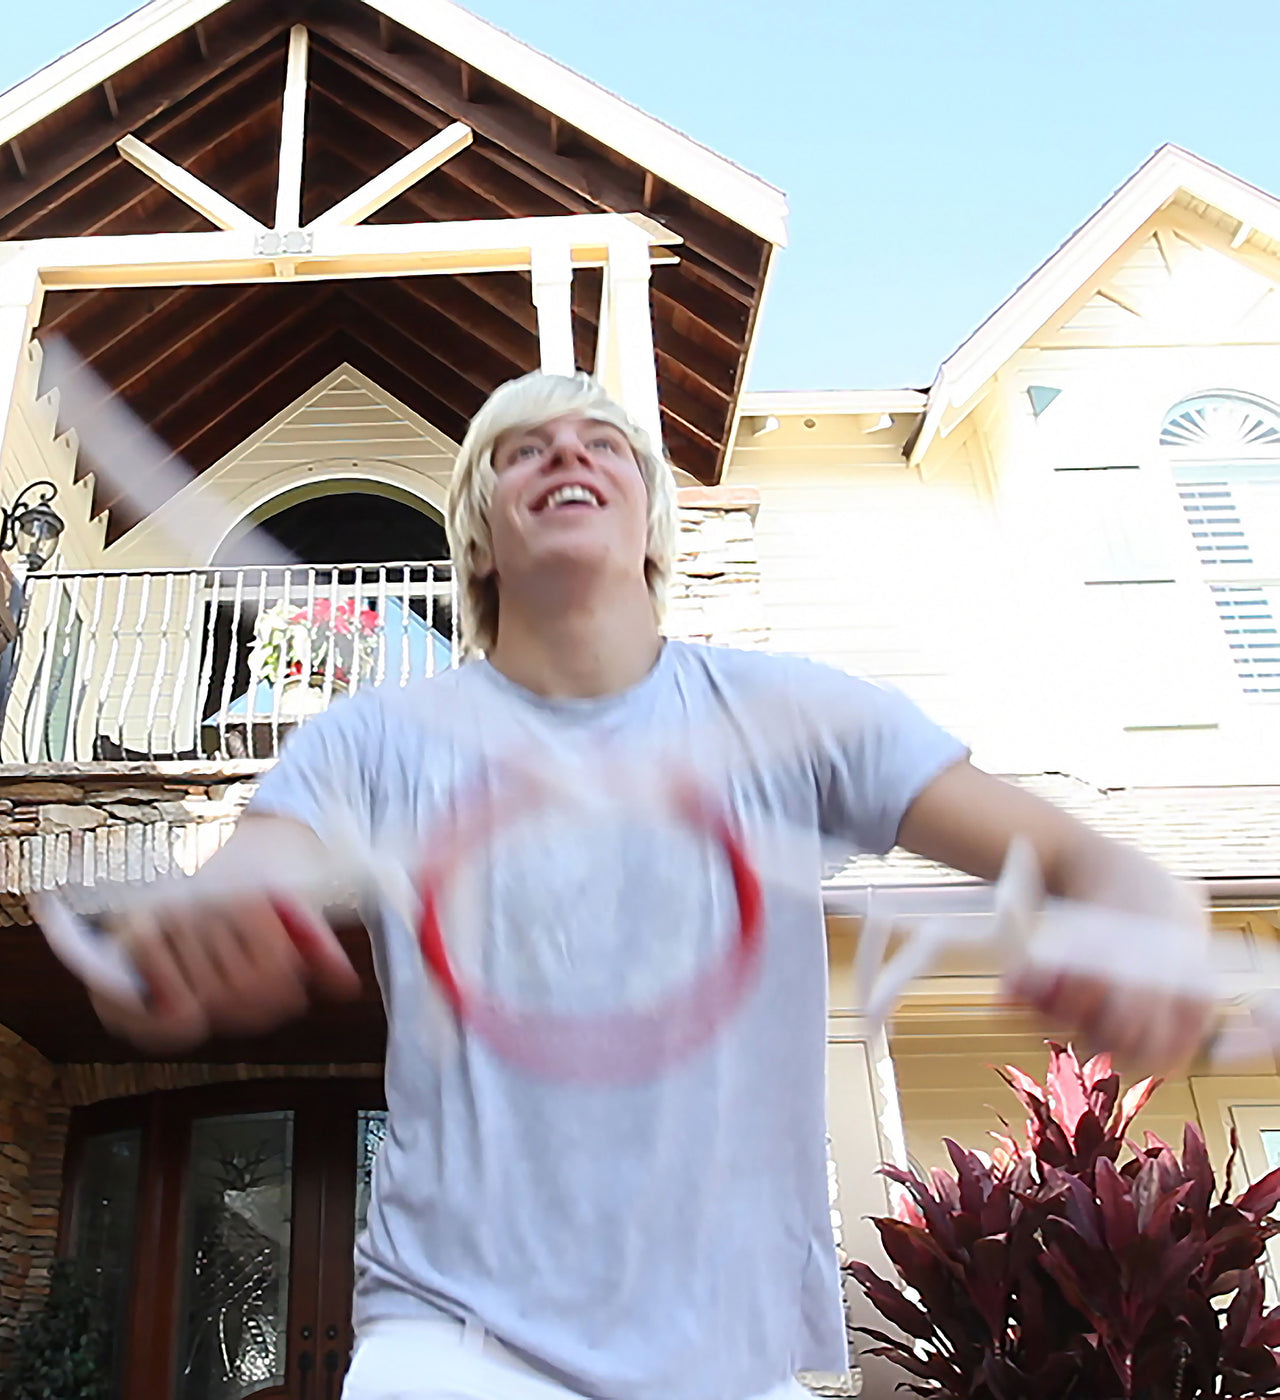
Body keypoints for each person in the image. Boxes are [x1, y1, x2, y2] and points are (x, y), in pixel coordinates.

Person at [88, 372, 1212, 1400]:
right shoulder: (371, 739)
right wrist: (187, 936)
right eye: (523, 449)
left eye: (603, 444)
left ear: (650, 525)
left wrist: (1138, 903)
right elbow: (237, 878)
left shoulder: (792, 714)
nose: (567, 456)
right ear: (477, 537)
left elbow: (1074, 856)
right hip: (454, 1344)